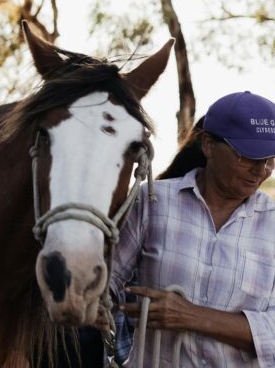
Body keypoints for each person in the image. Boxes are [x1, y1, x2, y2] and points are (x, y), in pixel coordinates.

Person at [110, 90, 275, 366]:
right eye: (247, 157)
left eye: (270, 159)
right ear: (208, 145)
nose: (260, 171)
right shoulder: (152, 201)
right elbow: (108, 282)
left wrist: (190, 316)